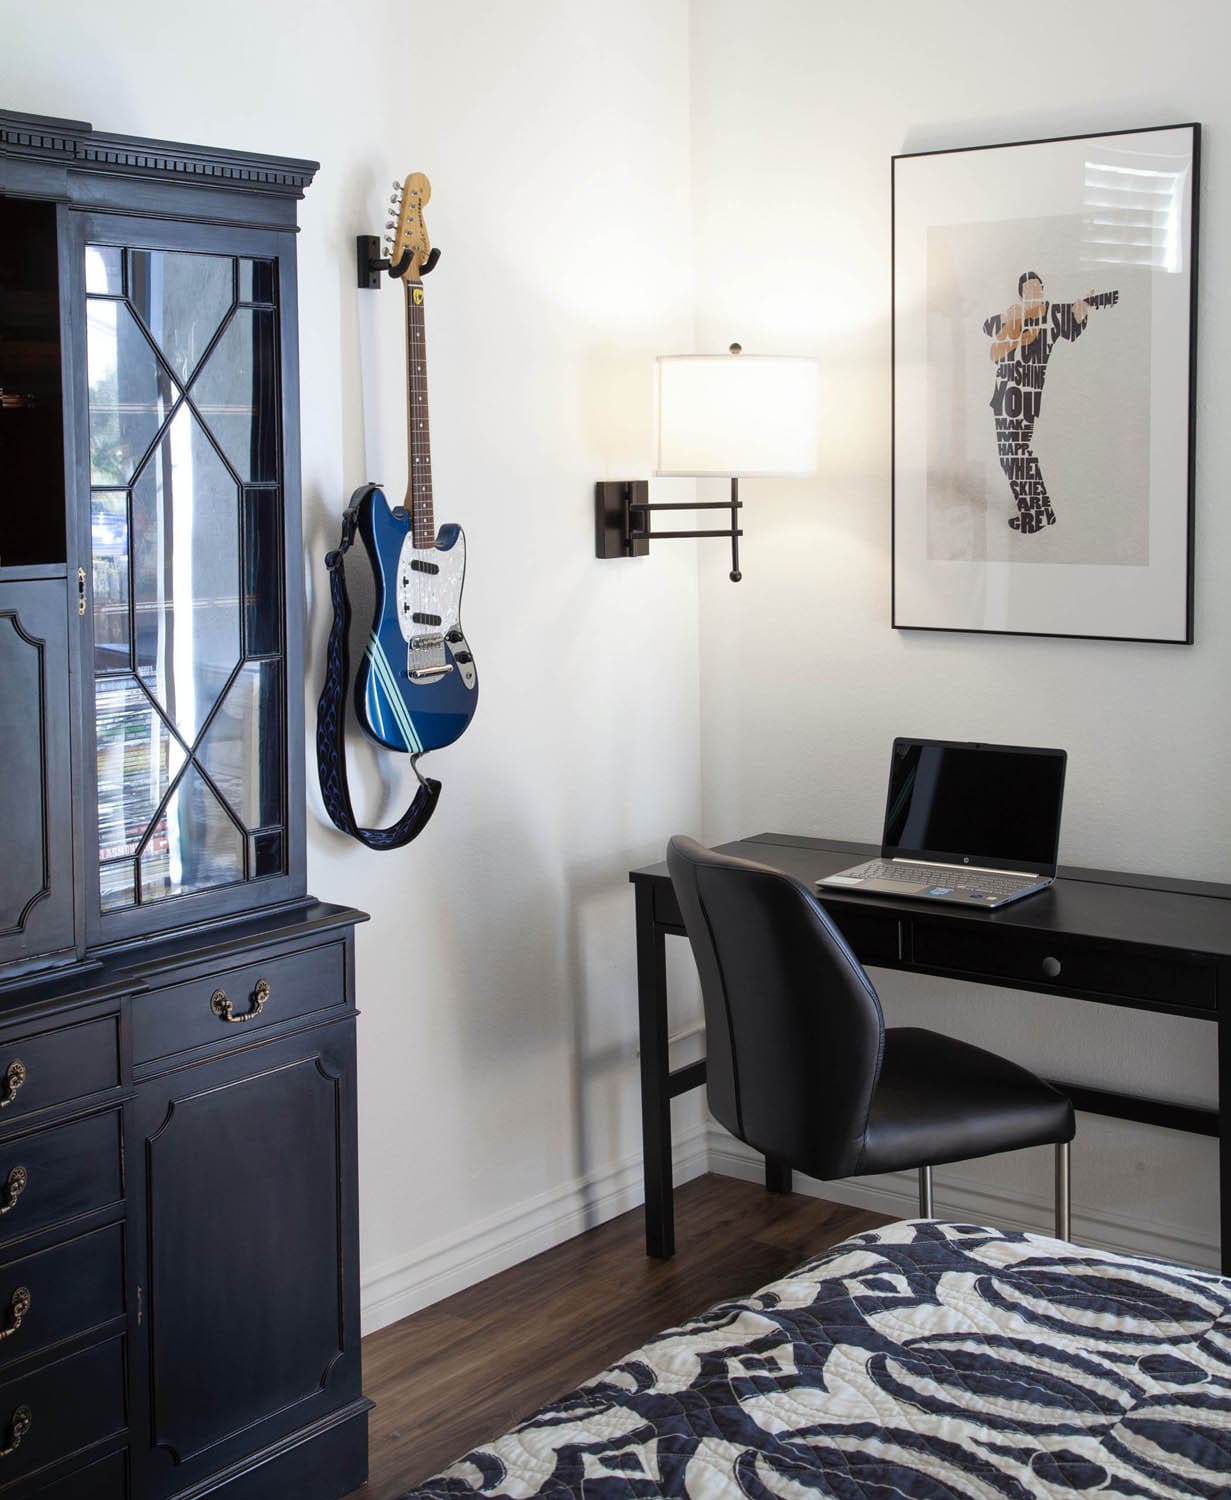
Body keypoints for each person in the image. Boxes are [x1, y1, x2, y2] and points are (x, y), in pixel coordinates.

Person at [982, 272, 1118, 533]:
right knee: (1019, 454)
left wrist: (1082, 311)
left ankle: (1031, 516)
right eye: (1029, 289)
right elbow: (987, 327)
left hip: (1025, 394)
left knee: (1013, 457)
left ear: (1043, 290)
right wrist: (1012, 318)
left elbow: (1072, 327)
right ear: (1021, 294)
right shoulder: (1016, 314)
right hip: (1004, 395)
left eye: (1038, 287)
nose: (1034, 292)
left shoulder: (1052, 313)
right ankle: (1043, 510)